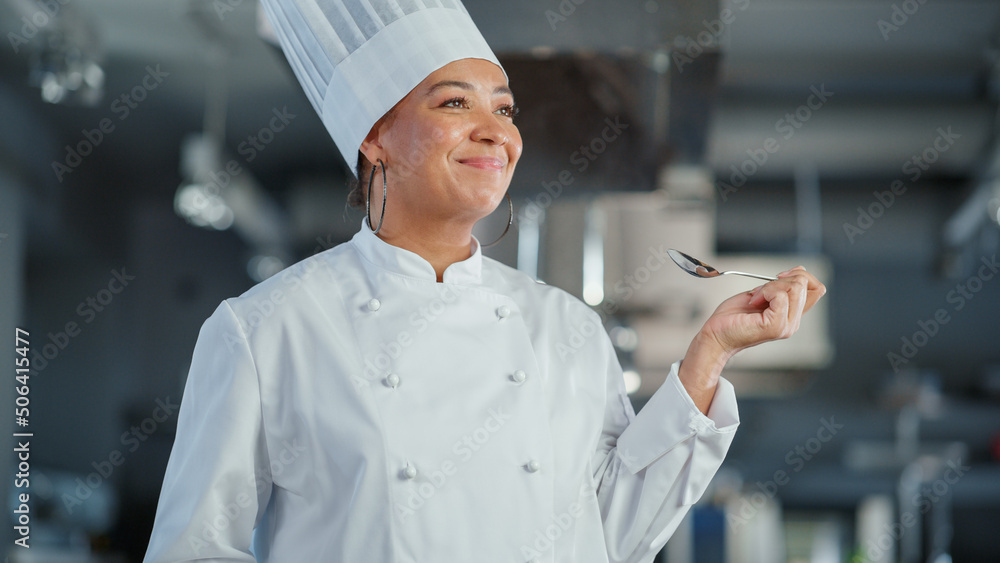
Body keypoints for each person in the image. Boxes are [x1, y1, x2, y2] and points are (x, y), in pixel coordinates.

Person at [143, 1, 826, 561]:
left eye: (503, 109)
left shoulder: (565, 329)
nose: (494, 132)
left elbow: (612, 534)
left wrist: (712, 349)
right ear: (374, 135)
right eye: (452, 104)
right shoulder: (268, 328)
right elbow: (194, 549)